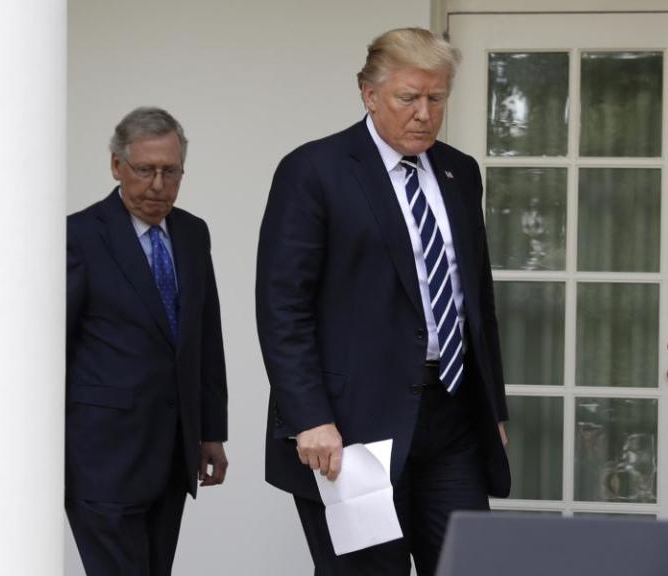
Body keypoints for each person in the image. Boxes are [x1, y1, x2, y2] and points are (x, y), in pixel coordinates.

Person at [256, 27, 510, 575]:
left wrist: (495, 408)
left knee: (471, 566)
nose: (424, 112)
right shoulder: (314, 171)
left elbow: (475, 297)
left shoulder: (459, 172)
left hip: (453, 417)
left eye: (436, 98)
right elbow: (283, 307)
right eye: (408, 97)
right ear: (369, 94)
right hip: (352, 430)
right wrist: (311, 417)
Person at [66, 107, 229, 575]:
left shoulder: (193, 233)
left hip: (172, 454)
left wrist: (210, 430)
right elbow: (52, 349)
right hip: (101, 458)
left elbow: (205, 336)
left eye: (170, 172)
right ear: (117, 166)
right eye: (145, 170)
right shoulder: (79, 236)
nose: (158, 185)